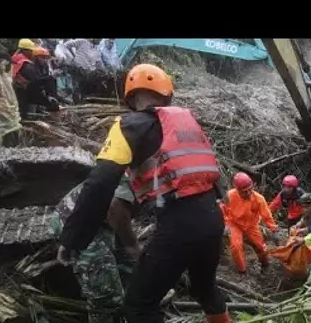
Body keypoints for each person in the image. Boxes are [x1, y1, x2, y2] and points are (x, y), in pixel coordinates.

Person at [56, 63, 230, 323]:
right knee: (204, 288)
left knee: (139, 306)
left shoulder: (128, 126)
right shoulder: (188, 125)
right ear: (167, 94)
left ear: (131, 97)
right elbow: (214, 177)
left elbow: (100, 183)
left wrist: (73, 239)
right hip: (213, 219)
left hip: (179, 225)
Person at [50, 176, 140, 323]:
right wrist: (132, 244)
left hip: (100, 219)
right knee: (104, 288)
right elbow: (115, 209)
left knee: (125, 263)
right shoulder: (136, 173)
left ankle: (130, 303)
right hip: (76, 223)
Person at [221, 172, 280, 274]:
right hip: (234, 223)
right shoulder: (230, 196)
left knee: (260, 246)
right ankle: (242, 270)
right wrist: (223, 224)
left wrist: (274, 230)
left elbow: (267, 215)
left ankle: (265, 264)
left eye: (250, 190)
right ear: (237, 190)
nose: (248, 193)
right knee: (236, 246)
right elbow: (221, 210)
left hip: (251, 225)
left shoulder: (259, 199)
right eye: (244, 191)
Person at [11, 39, 61, 120]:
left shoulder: (16, 58)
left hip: (19, 90)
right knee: (51, 103)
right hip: (22, 91)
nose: (32, 53)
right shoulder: (25, 64)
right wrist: (51, 78)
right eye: (31, 51)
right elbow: (36, 81)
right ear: (25, 50)